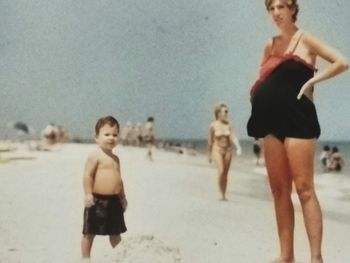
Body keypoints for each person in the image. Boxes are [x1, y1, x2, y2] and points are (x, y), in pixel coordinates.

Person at [246, 1, 348, 262]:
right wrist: (259, 101)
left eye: (281, 6)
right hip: (270, 122)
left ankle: (316, 257)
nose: (276, 12)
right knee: (279, 190)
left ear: (292, 9)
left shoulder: (306, 39)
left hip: (298, 118)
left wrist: (313, 80)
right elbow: (262, 79)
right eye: (271, 8)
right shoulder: (269, 44)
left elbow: (342, 62)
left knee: (304, 188)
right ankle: (286, 256)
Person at [81, 116, 127, 260]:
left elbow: (119, 180)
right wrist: (88, 194)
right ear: (96, 138)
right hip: (97, 200)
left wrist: (123, 197)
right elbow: (87, 175)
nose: (111, 138)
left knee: (115, 232)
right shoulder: (95, 156)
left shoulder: (116, 159)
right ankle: (85, 258)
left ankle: (120, 256)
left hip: (114, 201)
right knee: (89, 232)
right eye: (106, 134)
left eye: (114, 134)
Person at [208, 103, 241, 201]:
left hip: (228, 150)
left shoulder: (229, 124)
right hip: (217, 149)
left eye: (227, 111)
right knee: (221, 171)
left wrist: (238, 147)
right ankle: (220, 192)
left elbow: (233, 136)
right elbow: (210, 141)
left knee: (225, 174)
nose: (227, 113)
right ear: (218, 113)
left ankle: (223, 194)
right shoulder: (213, 125)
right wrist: (209, 155)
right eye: (225, 111)